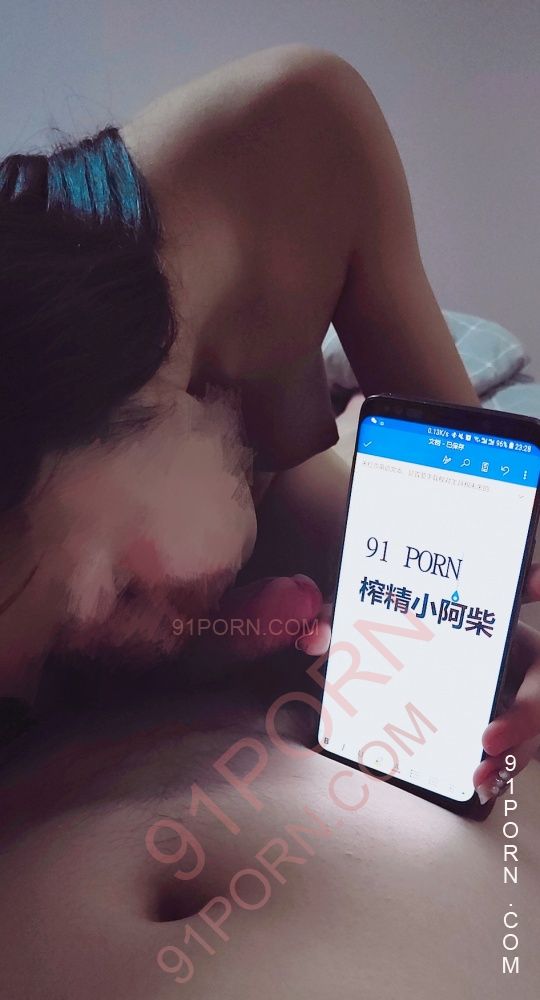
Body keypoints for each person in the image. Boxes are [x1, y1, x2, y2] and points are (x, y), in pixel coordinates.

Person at [1, 43, 539, 808]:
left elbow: (468, 479)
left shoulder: (296, 139)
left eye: (119, 593)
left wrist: (500, 616)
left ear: (128, 404)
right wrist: (208, 651)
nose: (147, 640)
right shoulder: (102, 518)